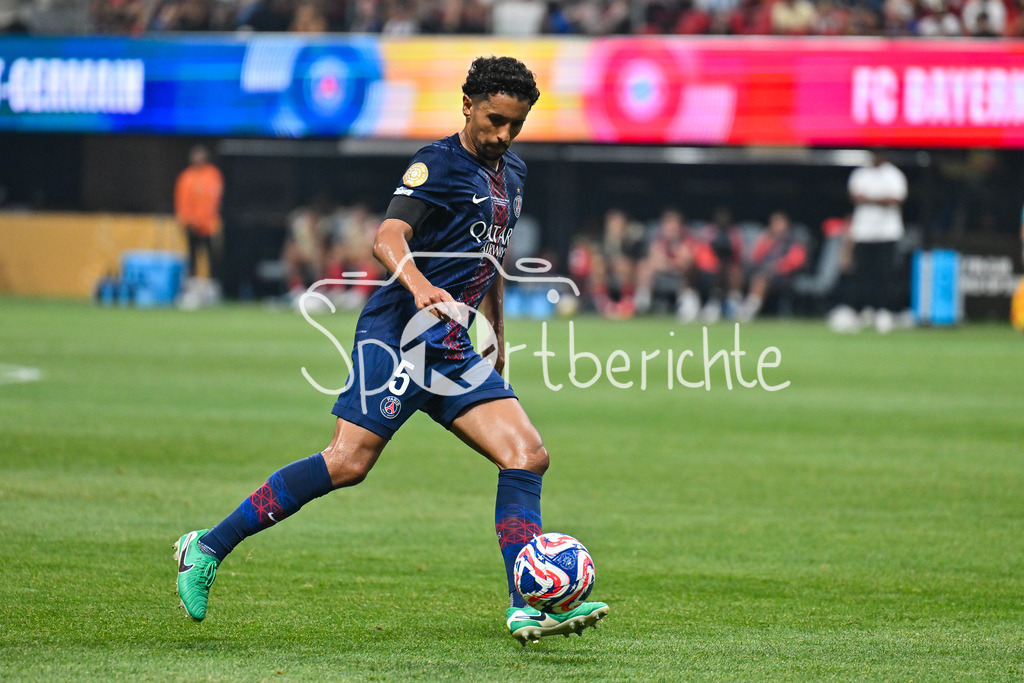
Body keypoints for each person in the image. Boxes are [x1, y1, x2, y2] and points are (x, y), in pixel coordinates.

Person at [173, 56, 608, 644]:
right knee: (348, 462)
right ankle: (206, 547)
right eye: (494, 120)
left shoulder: (514, 174)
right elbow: (387, 236)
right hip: (399, 334)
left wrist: (497, 330)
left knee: (527, 455)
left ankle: (526, 603)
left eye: (516, 124)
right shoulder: (437, 165)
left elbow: (491, 256)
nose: (503, 134)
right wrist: (423, 286)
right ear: (467, 106)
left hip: (453, 346)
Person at [843, 152, 907, 328]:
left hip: (887, 233)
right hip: (863, 232)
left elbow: (896, 199)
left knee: (885, 273)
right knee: (862, 273)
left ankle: (884, 312)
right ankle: (862, 310)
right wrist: (881, 199)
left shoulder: (893, 175)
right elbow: (855, 196)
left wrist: (870, 199)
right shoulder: (860, 174)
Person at [736, 211, 807, 321]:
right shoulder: (768, 239)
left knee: (761, 279)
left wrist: (778, 266)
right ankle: (733, 304)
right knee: (737, 272)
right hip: (760, 271)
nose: (777, 226)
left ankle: (749, 309)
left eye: (780, 223)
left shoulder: (794, 240)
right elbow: (755, 258)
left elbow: (797, 260)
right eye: (774, 223)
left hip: (783, 277)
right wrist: (763, 240)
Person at [174, 144, 224, 280]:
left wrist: (212, 220)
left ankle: (213, 284)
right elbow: (181, 200)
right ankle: (192, 284)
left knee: (212, 256)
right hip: (191, 224)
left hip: (208, 225)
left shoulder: (212, 174)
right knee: (192, 256)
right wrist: (185, 219)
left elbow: (215, 199)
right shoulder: (186, 177)